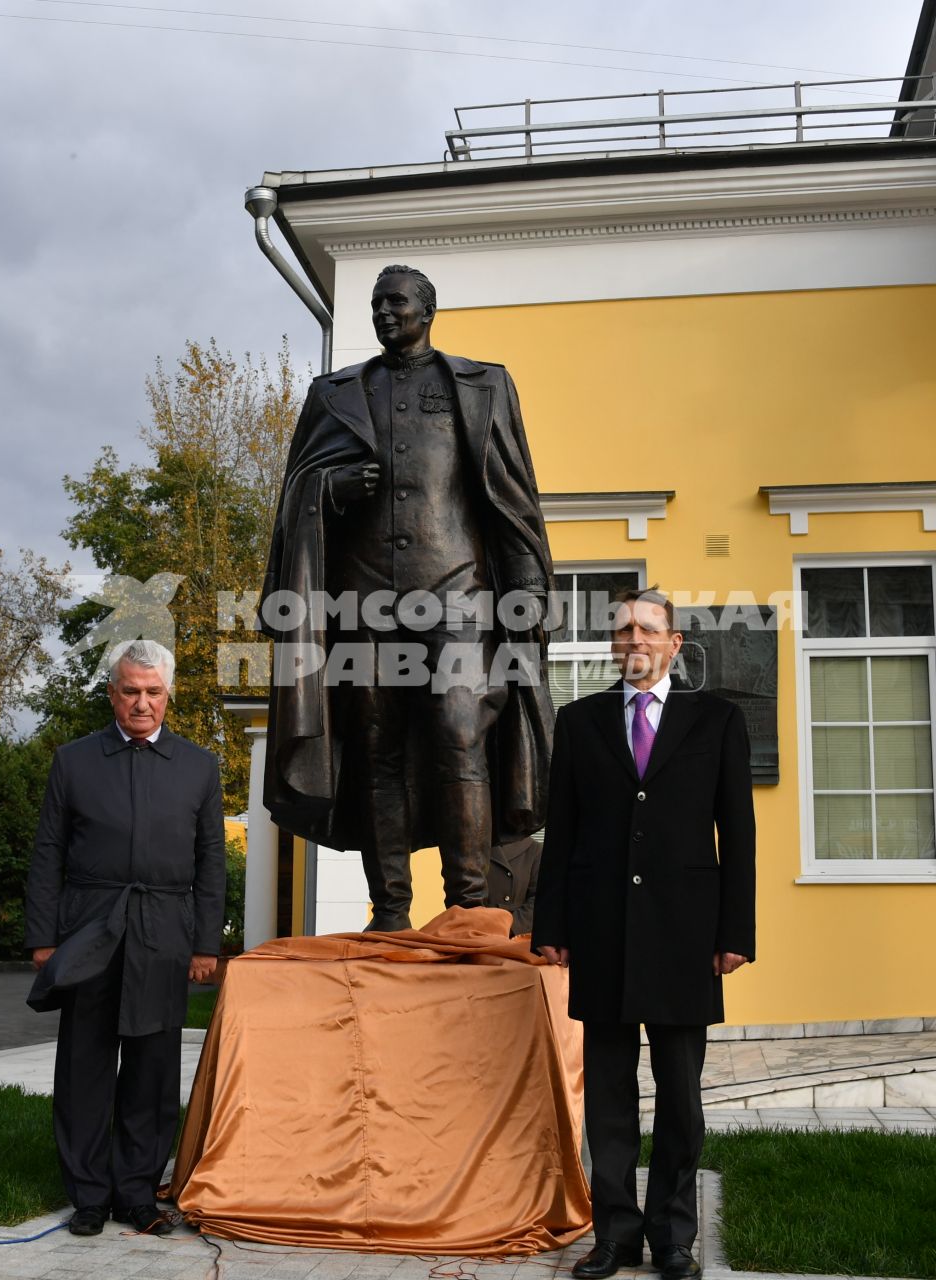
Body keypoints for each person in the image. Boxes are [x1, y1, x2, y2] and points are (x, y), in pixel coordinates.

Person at [259, 263, 554, 930]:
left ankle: (469, 907)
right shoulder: (333, 393)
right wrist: (329, 492)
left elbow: (512, 495)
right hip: (363, 601)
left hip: (458, 595)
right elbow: (294, 498)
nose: (384, 313)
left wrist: (530, 587)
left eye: (396, 302)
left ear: (428, 309)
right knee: (375, 746)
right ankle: (390, 908)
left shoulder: (479, 384)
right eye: (375, 304)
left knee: (459, 730)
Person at [533, 589, 755, 1280]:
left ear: (673, 643)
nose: (633, 639)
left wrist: (735, 931)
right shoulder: (578, 722)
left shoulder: (716, 721)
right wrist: (554, 926)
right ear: (612, 644)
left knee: (681, 1101)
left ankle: (674, 1239)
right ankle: (615, 1237)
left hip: (686, 938)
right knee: (607, 1099)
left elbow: (738, 834)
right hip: (600, 933)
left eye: (646, 629)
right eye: (622, 629)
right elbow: (562, 833)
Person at [25, 639, 224, 1239]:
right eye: (130, 690)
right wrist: (43, 937)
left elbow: (210, 861)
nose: (142, 702)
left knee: (152, 1068)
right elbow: (47, 855)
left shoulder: (199, 766)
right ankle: (88, 1196)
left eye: (153, 692)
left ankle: (137, 1194)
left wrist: (205, 945)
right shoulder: (74, 760)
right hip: (89, 928)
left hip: (164, 932)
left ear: (169, 695)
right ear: (112, 693)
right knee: (84, 1064)